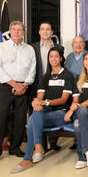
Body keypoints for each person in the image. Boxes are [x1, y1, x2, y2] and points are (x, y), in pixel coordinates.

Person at [10, 47, 74, 173]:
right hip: (47, 110)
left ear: (61, 58)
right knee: (36, 112)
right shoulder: (45, 77)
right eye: (51, 57)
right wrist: (37, 102)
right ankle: (38, 147)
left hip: (62, 113)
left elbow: (64, 100)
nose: (53, 59)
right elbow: (40, 97)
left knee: (33, 120)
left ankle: (28, 158)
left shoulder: (67, 75)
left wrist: (44, 102)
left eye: (56, 56)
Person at [0, 21, 36, 167]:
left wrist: (24, 84)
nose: (17, 32)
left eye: (20, 30)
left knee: (20, 119)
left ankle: (15, 148)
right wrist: (13, 84)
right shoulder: (1, 47)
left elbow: (32, 69)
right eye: (14, 29)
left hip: (23, 87)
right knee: (0, 119)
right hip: (5, 87)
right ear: (9, 32)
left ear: (24, 32)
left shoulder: (29, 49)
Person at [30, 22, 65, 150]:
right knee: (38, 110)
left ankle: (53, 141)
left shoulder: (59, 47)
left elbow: (62, 66)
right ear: (39, 32)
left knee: (52, 109)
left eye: (48, 29)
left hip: (54, 84)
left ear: (52, 32)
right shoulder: (32, 48)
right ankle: (40, 145)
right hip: (38, 85)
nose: (45, 31)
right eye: (42, 29)